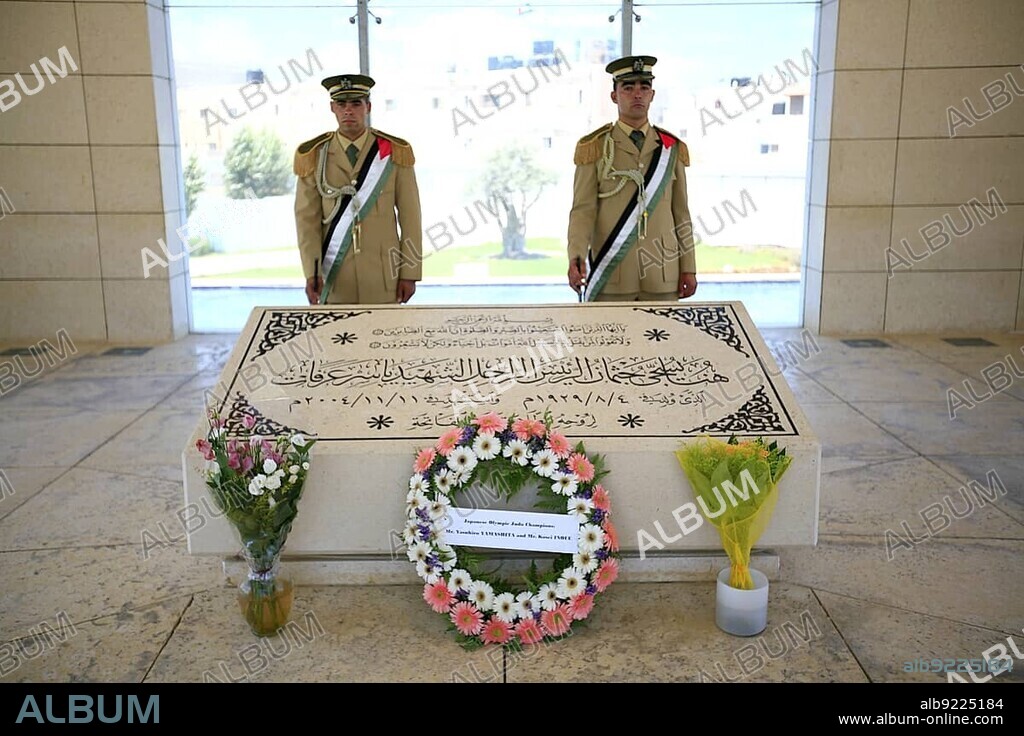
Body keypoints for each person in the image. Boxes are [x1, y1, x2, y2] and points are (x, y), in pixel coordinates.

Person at [567, 55, 697, 302]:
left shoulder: (671, 148)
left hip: (662, 275)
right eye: (628, 88)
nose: (637, 94)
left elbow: (681, 213)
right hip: (611, 276)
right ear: (614, 96)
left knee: (663, 340)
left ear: (652, 95)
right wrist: (576, 256)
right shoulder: (594, 147)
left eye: (644, 88)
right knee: (610, 341)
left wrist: (688, 267)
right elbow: (583, 210)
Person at [293, 73, 422, 305]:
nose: (348, 111)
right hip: (333, 278)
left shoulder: (393, 153)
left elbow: (410, 217)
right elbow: (307, 221)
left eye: (356, 103)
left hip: (384, 278)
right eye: (341, 104)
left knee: (386, 338)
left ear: (368, 107)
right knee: (336, 339)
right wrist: (311, 273)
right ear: (332, 107)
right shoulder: (315, 156)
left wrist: (410, 273)